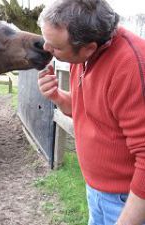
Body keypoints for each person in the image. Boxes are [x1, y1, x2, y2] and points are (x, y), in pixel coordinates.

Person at [37, 0, 145, 224]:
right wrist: (57, 97)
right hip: (96, 191)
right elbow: (84, 111)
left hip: (128, 201)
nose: (47, 50)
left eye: (55, 47)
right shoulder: (85, 55)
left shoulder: (131, 67)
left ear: (88, 47)